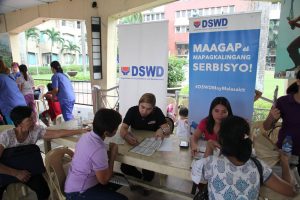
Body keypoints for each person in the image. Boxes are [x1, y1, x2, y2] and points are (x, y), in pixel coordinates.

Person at [191, 116, 296, 199]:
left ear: (222, 140)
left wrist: (209, 146)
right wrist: (285, 163)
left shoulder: (213, 163)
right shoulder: (259, 167)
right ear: (248, 139)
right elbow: (291, 191)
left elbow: (203, 175)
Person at [0, 106, 88, 199]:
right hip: (7, 171)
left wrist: (80, 130)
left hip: (27, 170)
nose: (34, 121)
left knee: (44, 191)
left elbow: (57, 133)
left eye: (33, 118)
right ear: (19, 123)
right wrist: (16, 173)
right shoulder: (6, 137)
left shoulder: (35, 131)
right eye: (29, 119)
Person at [64, 108, 128, 200]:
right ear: (106, 133)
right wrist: (113, 155)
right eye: (116, 128)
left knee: (120, 179)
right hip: (77, 192)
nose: (116, 130)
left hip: (74, 183)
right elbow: (104, 180)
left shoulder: (86, 136)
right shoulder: (98, 149)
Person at [119, 93, 171, 182]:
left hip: (151, 144)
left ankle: (146, 181)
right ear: (138, 104)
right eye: (142, 107)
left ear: (153, 108)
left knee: (148, 171)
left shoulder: (157, 111)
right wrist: (126, 136)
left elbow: (167, 129)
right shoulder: (132, 111)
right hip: (135, 142)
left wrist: (161, 130)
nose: (144, 111)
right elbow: (123, 128)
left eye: (148, 109)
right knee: (124, 167)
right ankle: (140, 177)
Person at [263, 70, 300, 175]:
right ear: (298, 81)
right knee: (287, 189)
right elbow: (266, 127)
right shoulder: (283, 102)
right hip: (285, 156)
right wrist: (271, 116)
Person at [0, 60, 26, 124]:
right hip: (21, 102)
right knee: (22, 127)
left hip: (10, 107)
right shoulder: (9, 76)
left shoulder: (2, 77)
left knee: (12, 129)